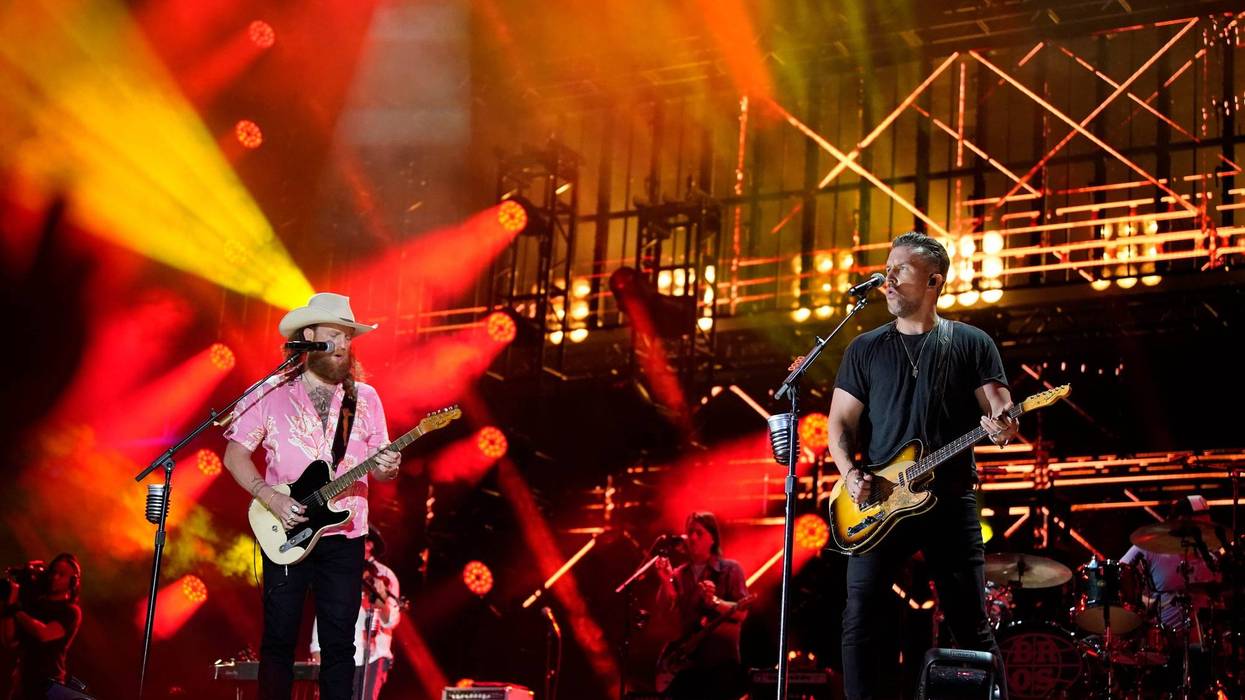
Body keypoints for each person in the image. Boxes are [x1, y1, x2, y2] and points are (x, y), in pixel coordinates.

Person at [827, 232, 1018, 700]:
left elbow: (1001, 407)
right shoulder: (864, 348)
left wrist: (1003, 425)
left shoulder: (971, 342)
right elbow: (840, 424)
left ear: (934, 281)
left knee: (971, 626)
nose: (887, 280)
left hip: (949, 499)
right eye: (887, 269)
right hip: (881, 502)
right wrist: (850, 474)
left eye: (900, 271)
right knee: (860, 622)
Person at [223, 292, 401, 700]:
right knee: (279, 640)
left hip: (346, 535)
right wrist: (271, 497)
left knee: (341, 647)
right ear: (309, 337)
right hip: (286, 529)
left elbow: (382, 465)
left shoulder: (367, 399)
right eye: (333, 336)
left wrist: (388, 468)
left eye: (346, 338)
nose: (341, 345)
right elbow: (235, 455)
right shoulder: (271, 393)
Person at [652, 512, 749, 700]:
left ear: (713, 538)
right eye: (690, 533)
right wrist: (666, 582)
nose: (693, 538)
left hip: (719, 665)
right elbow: (666, 616)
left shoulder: (730, 569)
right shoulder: (679, 574)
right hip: (686, 669)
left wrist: (714, 601)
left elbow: (741, 613)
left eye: (699, 533)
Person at [310, 529, 400, 700]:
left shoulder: (385, 575)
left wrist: (381, 600)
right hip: (338, 654)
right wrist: (317, 648)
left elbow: (391, 621)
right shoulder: (338, 572)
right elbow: (325, 610)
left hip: (373, 656)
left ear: (369, 545)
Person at [1, 553, 83, 700]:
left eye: (61, 574)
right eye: (53, 572)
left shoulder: (70, 611)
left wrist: (16, 610)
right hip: (22, 685)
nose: (54, 577)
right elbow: (10, 641)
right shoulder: (34, 605)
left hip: (48, 688)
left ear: (72, 582)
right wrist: (9, 606)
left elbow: (44, 634)